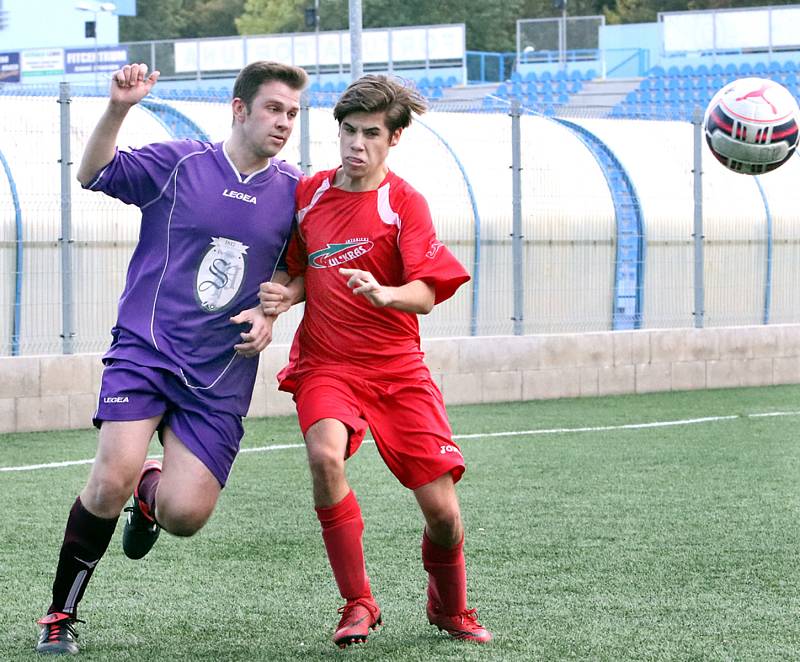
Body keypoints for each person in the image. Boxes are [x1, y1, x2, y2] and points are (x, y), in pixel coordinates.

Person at [35, 60, 308, 655]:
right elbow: (92, 172)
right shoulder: (179, 162)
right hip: (147, 350)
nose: (285, 122)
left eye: (293, 112)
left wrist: (275, 308)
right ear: (240, 109)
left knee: (186, 515)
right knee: (110, 477)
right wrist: (119, 108)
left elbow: (303, 268)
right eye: (274, 109)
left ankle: (152, 494)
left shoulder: (296, 191)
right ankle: (59, 615)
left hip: (221, 370)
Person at [258, 74, 492, 647]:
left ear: (393, 140)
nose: (355, 144)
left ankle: (450, 607)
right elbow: (300, 269)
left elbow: (428, 292)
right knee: (325, 456)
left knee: (443, 514)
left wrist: (388, 293)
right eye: (347, 131)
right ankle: (358, 602)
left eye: (369, 134)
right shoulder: (309, 193)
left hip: (397, 371)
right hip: (327, 366)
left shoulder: (403, 202)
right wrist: (283, 295)